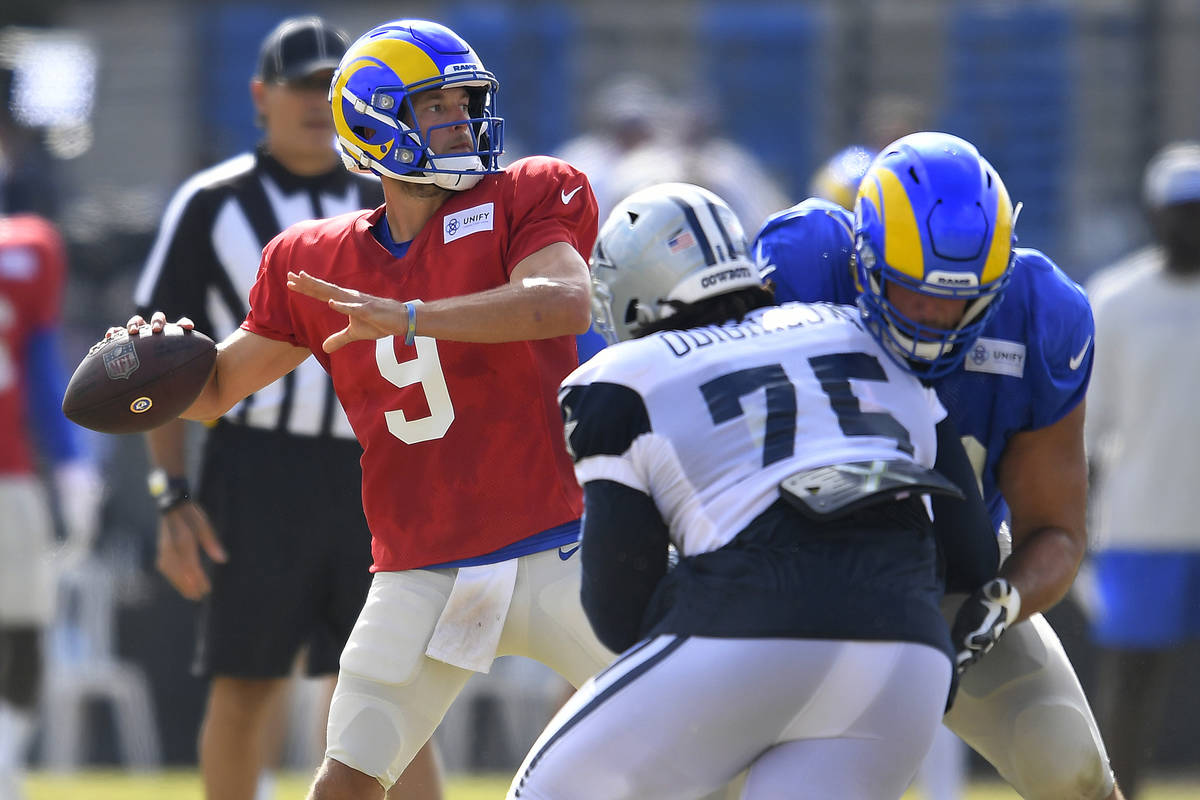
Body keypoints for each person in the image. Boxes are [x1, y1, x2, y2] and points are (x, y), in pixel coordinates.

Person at [116, 18, 616, 800]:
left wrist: (413, 315)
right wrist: (151, 366)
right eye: (436, 106)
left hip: (563, 543)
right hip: (423, 566)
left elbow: (562, 301)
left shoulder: (526, 192)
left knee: (703, 740)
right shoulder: (311, 260)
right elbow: (216, 390)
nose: (461, 120)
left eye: (466, 102)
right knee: (346, 784)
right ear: (378, 122)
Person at [507, 182, 998, 799]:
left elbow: (617, 610)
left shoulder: (620, 378)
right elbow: (974, 555)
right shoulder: (867, 334)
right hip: (906, 655)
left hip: (745, 625)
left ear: (631, 298)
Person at [753, 131, 1125, 800]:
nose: (933, 317)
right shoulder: (806, 263)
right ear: (862, 260)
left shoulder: (1041, 313)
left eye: (959, 298)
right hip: (787, 573)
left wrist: (999, 604)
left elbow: (1057, 530)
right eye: (911, 291)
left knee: (1067, 764)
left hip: (951, 575)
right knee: (700, 773)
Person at [131, 16, 438, 800]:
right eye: (299, 86)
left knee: (390, 691)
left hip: (380, 464)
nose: (312, 102)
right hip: (257, 468)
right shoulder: (211, 203)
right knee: (246, 682)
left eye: (327, 87)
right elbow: (160, 362)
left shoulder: (395, 189)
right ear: (260, 96)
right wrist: (172, 496)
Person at [1084, 141, 1200, 799]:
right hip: (1141, 524)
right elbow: (1087, 431)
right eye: (1180, 211)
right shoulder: (1116, 299)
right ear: (1155, 215)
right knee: (1131, 683)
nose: (1190, 225)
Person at [0, 212, 102, 800]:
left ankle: (5, 758)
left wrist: (71, 465)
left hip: (9, 475)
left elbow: (41, 369)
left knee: (22, 625)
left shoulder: (27, 248)